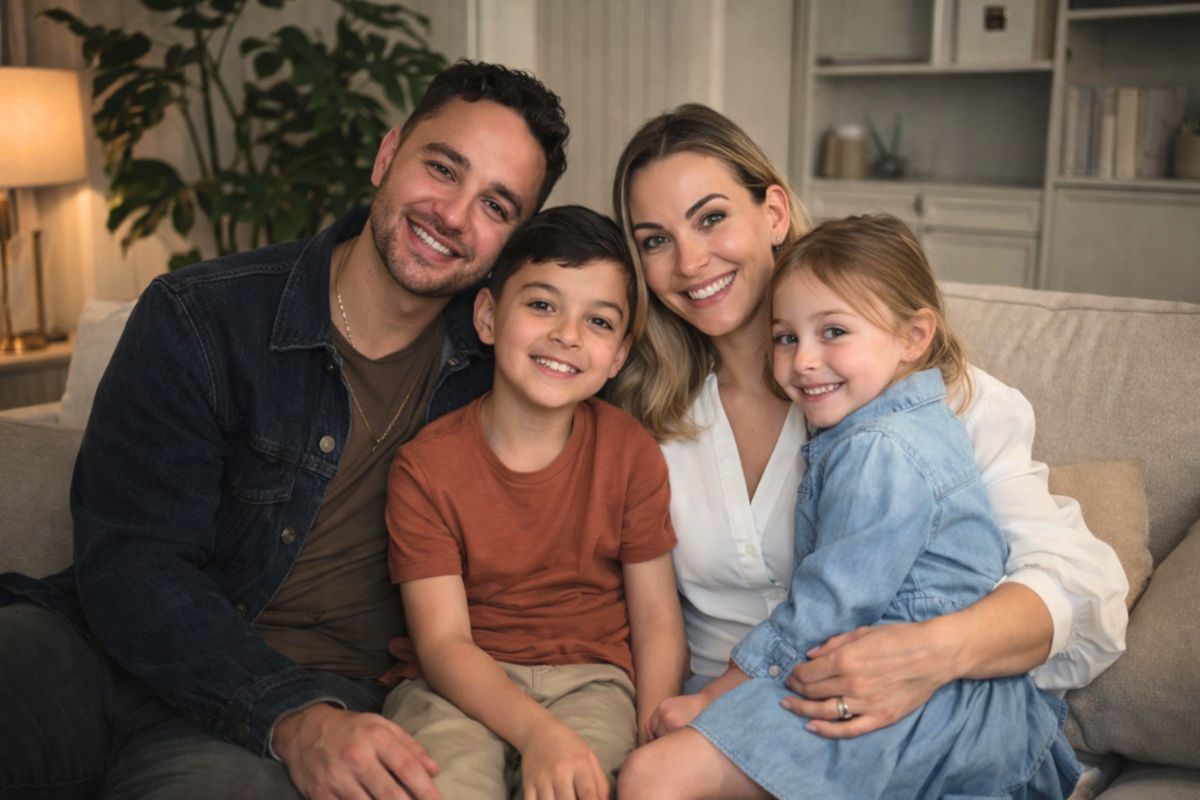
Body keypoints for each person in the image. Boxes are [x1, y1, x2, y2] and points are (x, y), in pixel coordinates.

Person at [0, 60, 568, 800]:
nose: (455, 216)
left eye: (496, 206)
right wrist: (287, 713)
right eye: (442, 168)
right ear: (387, 154)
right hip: (99, 649)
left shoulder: (509, 372)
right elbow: (132, 559)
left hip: (308, 703)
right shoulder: (200, 317)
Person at [607, 103, 1128, 737]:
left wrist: (933, 653)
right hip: (709, 723)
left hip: (888, 720)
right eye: (655, 240)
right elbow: (635, 613)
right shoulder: (642, 409)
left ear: (772, 212)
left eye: (711, 218)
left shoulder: (925, 397)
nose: (689, 262)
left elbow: (1083, 590)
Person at [619, 213, 1082, 799]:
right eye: (786, 338)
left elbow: (829, 605)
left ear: (914, 336)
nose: (804, 360)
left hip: (920, 706)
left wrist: (714, 697)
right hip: (891, 694)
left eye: (833, 332)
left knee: (651, 777)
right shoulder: (881, 424)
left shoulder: (880, 448)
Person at [380, 205, 686, 800]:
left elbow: (656, 622)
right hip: (455, 688)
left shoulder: (629, 453)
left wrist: (654, 737)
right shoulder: (426, 468)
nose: (566, 335)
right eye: (542, 305)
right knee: (449, 785)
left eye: (598, 322)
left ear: (619, 357)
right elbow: (442, 644)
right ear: (489, 316)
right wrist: (538, 732)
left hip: (592, 684)